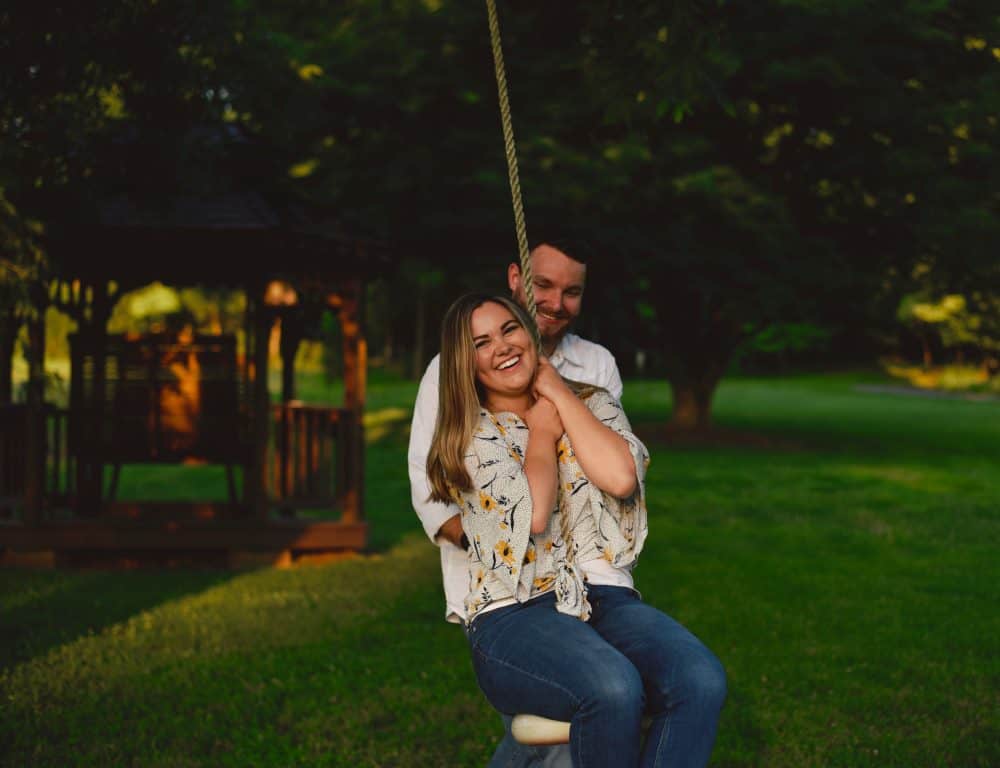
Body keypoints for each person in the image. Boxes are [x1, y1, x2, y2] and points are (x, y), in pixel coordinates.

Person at [426, 294, 726, 767]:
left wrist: (560, 395)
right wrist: (542, 434)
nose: (501, 347)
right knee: (612, 686)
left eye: (509, 329)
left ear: (529, 332)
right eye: (480, 342)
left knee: (700, 678)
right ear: (466, 362)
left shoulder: (592, 402)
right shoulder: (469, 435)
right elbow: (534, 514)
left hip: (601, 599)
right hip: (513, 614)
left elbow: (621, 478)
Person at [408, 241, 620, 767]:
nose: (556, 302)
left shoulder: (595, 366)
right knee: (559, 717)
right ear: (516, 279)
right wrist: (495, 538)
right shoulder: (453, 367)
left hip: (583, 581)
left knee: (569, 722)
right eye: (544, 285)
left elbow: (602, 473)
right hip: (505, 589)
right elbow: (428, 478)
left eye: (572, 291)